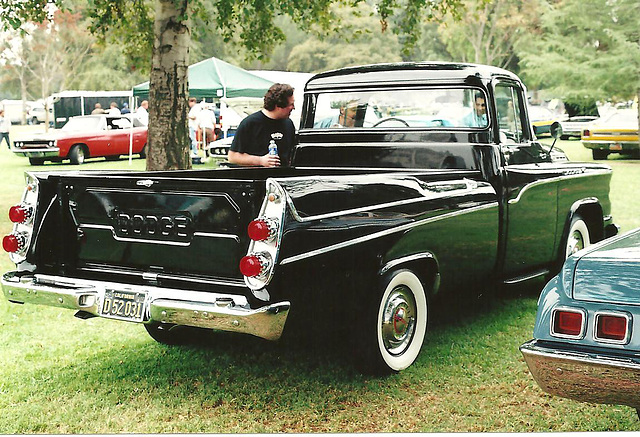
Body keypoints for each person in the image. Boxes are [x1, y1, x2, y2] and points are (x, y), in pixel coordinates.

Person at [228, 83, 296, 167]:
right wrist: (260, 161)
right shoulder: (250, 123)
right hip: (257, 177)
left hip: (282, 177)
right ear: (278, 105)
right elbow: (232, 157)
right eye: (291, 104)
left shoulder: (289, 124)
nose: (293, 108)